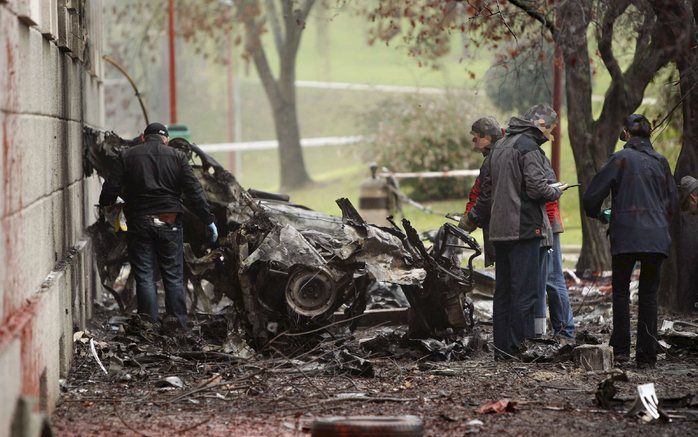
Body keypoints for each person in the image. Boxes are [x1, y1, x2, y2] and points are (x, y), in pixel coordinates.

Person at [465, 104, 565, 359]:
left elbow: (485, 194)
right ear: (538, 127)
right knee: (525, 291)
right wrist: (555, 190)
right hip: (524, 230)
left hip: (499, 232)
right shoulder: (528, 147)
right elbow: (536, 188)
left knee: (504, 292)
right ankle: (517, 348)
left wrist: (472, 219)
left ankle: (501, 349)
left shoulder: (498, 147)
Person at [99, 123, 218, 330]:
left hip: (139, 222)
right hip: (169, 221)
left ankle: (148, 324)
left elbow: (110, 190)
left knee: (144, 273)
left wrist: (109, 207)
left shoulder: (127, 156)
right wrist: (208, 220)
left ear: (144, 138)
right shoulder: (178, 157)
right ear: (166, 139)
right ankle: (177, 323)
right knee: (173, 273)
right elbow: (195, 192)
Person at [583, 114, 677, 368]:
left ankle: (621, 351)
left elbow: (591, 199)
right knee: (649, 295)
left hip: (625, 235)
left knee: (622, 293)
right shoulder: (661, 162)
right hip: (656, 237)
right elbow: (673, 204)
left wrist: (601, 214)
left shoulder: (620, 159)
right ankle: (647, 357)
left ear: (625, 134)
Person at [459, 116, 504, 267]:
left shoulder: (494, 159)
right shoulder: (499, 155)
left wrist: (470, 220)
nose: (474, 144)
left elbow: (487, 197)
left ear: (487, 138)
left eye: (475, 138)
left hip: (500, 227)